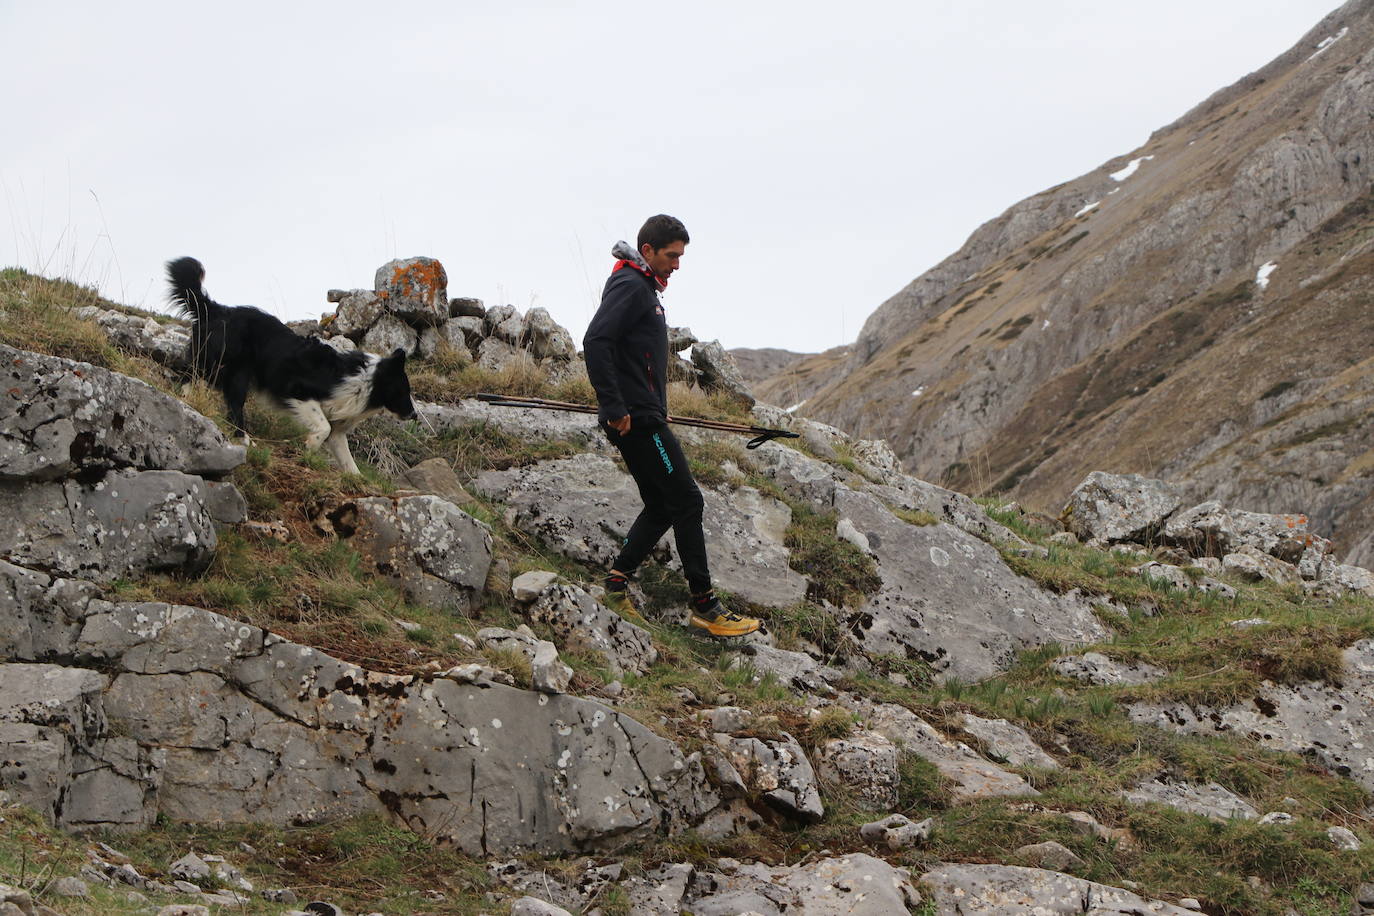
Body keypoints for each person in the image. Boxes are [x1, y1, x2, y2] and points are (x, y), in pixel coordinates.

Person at [582, 214, 762, 638]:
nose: (677, 265)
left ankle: (615, 585)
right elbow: (595, 342)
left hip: (641, 415)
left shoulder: (642, 287)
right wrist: (615, 405)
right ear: (647, 251)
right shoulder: (631, 287)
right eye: (671, 256)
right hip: (637, 420)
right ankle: (705, 606)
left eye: (680, 256)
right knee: (687, 501)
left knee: (664, 505)